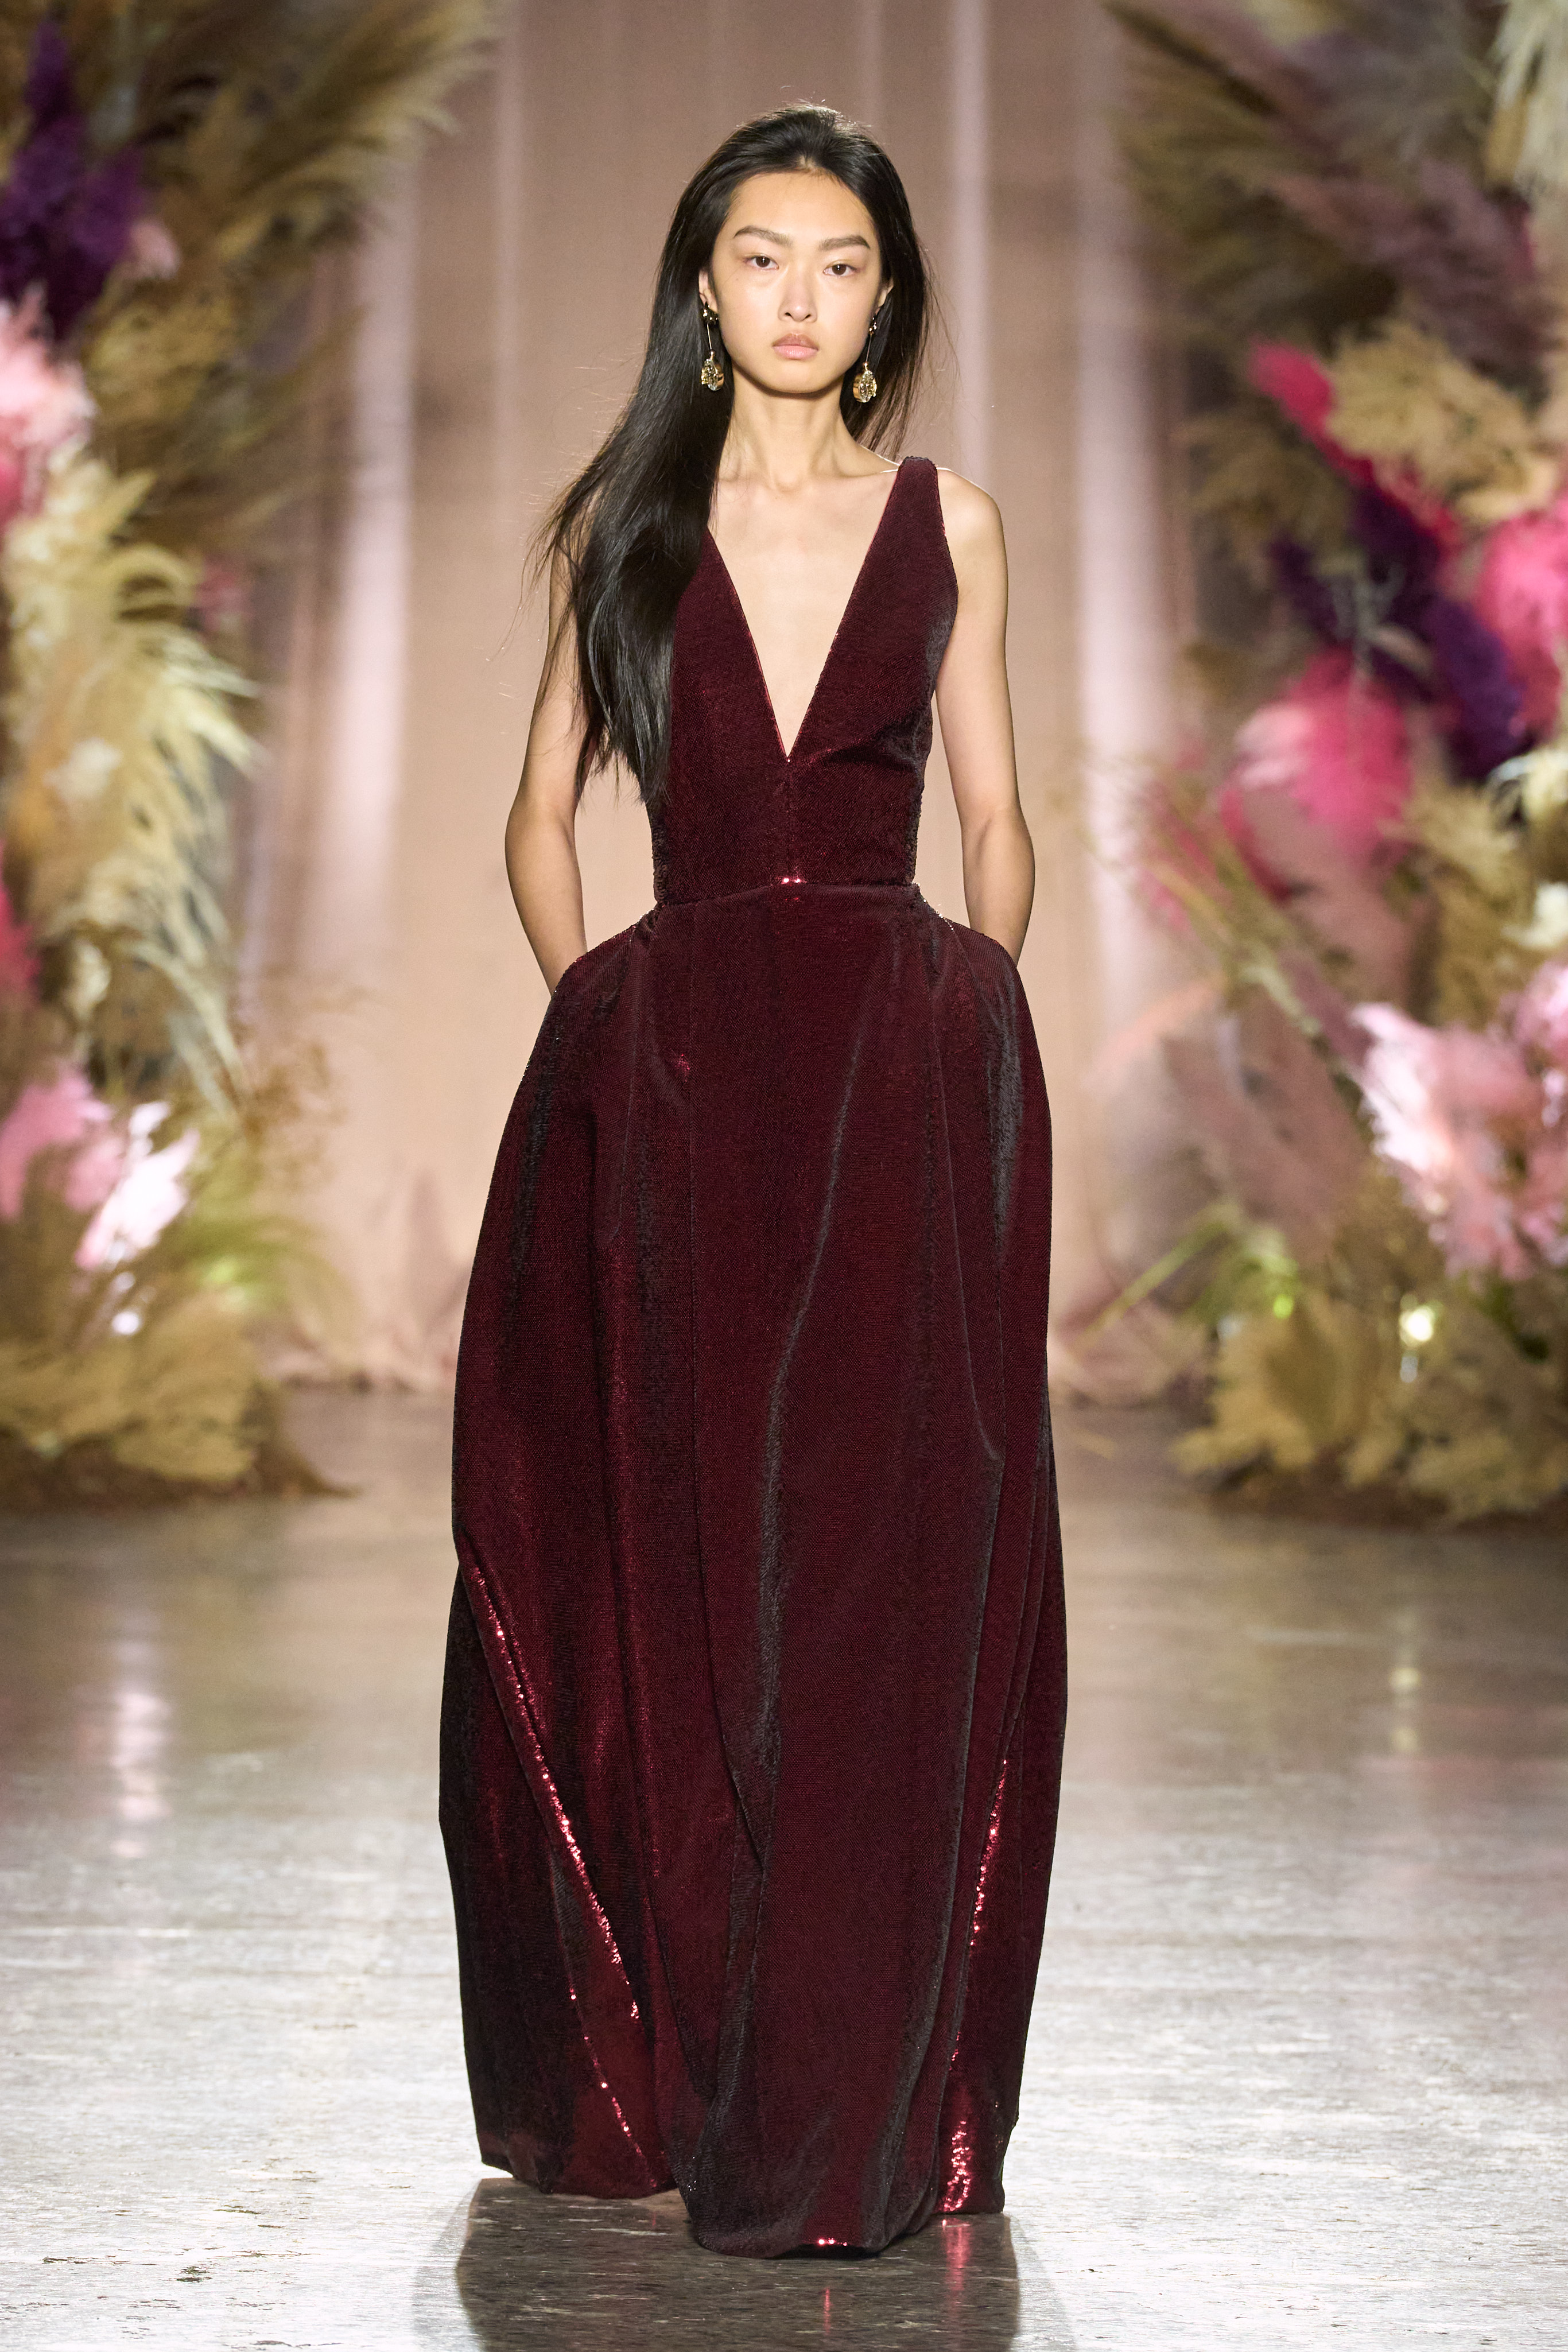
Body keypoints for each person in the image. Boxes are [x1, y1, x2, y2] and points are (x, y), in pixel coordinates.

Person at [439, 101, 1066, 2262]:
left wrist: (972, 1009)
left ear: (884, 301)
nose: (802, 298)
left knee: (881, 1568)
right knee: (680, 1557)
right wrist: (600, 1016)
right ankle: (692, 2046)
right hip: (683, 1092)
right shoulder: (626, 524)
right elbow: (538, 811)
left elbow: (997, 814)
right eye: (762, 260)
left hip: (895, 1094)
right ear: (703, 294)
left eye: (841, 264)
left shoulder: (951, 521)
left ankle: (845, 2086)